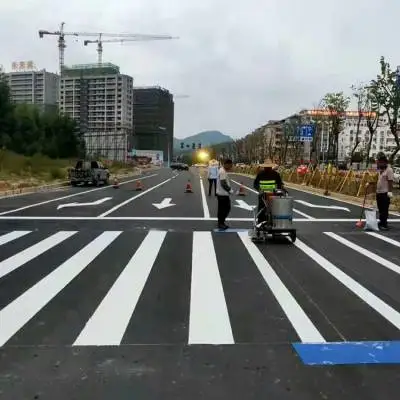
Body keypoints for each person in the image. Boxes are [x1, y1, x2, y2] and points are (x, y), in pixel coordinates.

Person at [372, 153, 394, 230]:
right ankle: (381, 222)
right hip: (379, 192)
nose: (378, 164)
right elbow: (378, 181)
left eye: (379, 162)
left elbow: (390, 181)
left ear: (384, 162)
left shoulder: (389, 170)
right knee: (380, 208)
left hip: (385, 193)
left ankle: (384, 224)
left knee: (384, 209)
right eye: (378, 162)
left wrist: (390, 191)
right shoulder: (380, 170)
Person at [216, 159, 234, 230]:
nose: (231, 167)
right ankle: (221, 223)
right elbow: (223, 183)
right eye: (230, 165)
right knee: (225, 209)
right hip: (222, 194)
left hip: (222, 193)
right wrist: (230, 190)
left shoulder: (222, 170)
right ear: (227, 164)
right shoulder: (222, 171)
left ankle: (221, 222)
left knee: (222, 209)